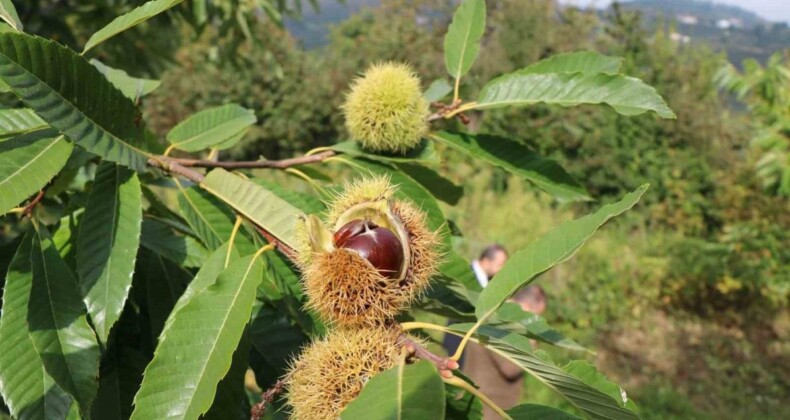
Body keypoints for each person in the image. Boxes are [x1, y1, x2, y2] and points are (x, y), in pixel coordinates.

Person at [463, 285, 547, 419]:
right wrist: (531, 341)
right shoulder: (503, 321)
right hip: (489, 407)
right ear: (528, 307)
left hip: (478, 400)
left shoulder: (492, 312)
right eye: (536, 315)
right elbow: (510, 368)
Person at [443, 244, 509, 365]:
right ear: (487, 260)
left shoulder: (489, 282)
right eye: (500, 264)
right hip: (457, 339)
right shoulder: (465, 276)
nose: (501, 269)